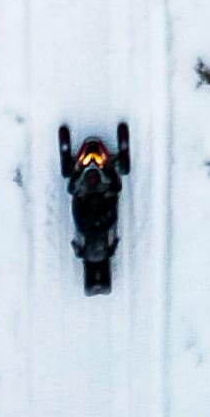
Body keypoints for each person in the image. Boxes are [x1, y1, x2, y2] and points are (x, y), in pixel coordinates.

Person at [59, 121, 130, 291]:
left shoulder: (84, 227)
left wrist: (78, 191)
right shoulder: (105, 226)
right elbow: (113, 208)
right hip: (100, 191)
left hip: (89, 191)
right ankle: (104, 163)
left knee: (72, 178)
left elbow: (75, 208)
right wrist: (111, 196)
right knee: (114, 181)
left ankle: (78, 165)